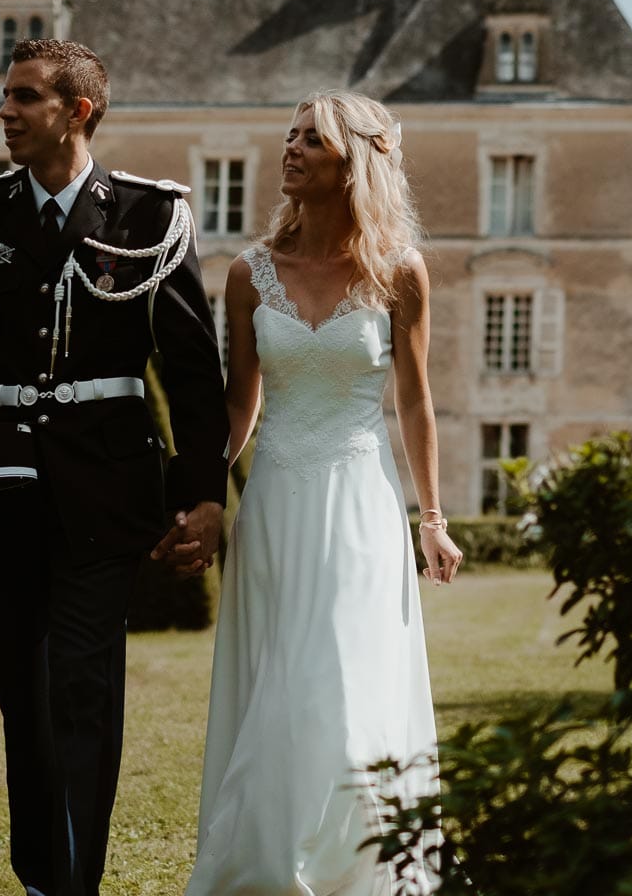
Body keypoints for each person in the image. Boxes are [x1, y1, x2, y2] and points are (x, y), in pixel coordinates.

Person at [0, 38, 229, 896]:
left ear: (76, 112)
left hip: (107, 492)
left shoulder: (151, 219)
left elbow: (194, 374)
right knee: (25, 700)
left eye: (25, 98)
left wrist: (202, 493)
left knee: (80, 692)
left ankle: (73, 885)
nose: (5, 112)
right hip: (0, 495)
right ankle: (45, 876)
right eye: (5, 98)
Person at [186, 90, 463, 896]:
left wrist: (433, 519)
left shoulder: (400, 271)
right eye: (291, 135)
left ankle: (361, 872)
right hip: (274, 500)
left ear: (356, 162)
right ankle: (269, 867)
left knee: (344, 680)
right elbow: (242, 404)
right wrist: (202, 487)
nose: (293, 148)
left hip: (361, 506)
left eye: (314, 139)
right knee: (278, 681)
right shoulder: (248, 274)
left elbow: (413, 400)